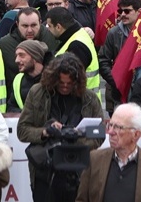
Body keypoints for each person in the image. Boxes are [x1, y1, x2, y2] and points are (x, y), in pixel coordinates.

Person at [17, 55, 105, 202]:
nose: (65, 87)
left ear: (78, 81)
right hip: (45, 171)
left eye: (70, 84)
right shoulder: (37, 93)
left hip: (79, 170)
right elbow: (22, 130)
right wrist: (45, 132)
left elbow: (99, 134)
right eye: (61, 83)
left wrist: (75, 139)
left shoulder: (89, 99)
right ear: (53, 79)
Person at [75, 103, 141, 202]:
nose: (110, 132)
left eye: (118, 127)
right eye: (110, 125)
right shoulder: (94, 159)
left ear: (136, 134)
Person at [46, 7, 102, 107]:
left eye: (49, 26)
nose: (48, 30)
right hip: (86, 102)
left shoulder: (76, 46)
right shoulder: (79, 35)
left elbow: (71, 79)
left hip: (81, 105)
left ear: (58, 27)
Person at [98, 0, 141, 106]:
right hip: (118, 93)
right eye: (120, 11)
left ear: (139, 11)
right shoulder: (113, 33)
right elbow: (103, 61)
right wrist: (115, 81)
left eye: (127, 11)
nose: (122, 14)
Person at [11, 40, 49, 111]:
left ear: (35, 57)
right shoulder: (18, 79)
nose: (16, 60)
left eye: (21, 55)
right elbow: (11, 107)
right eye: (16, 56)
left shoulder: (52, 79)